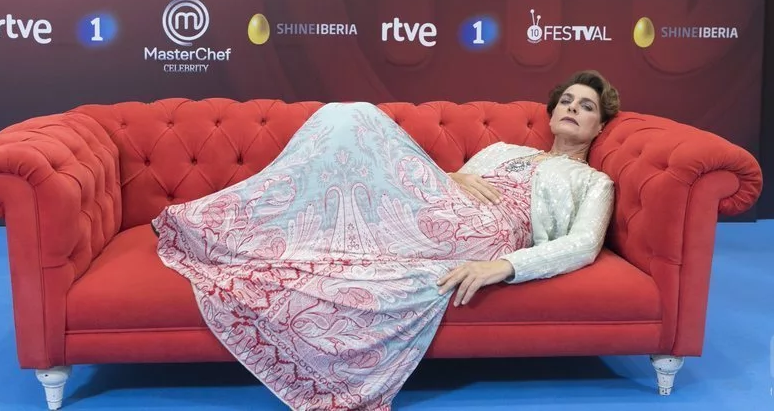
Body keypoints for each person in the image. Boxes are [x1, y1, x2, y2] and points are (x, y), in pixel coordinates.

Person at [152, 70, 620, 410]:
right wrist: (453, 176)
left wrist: (505, 266)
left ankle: (209, 228)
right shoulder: (502, 150)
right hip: (443, 210)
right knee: (344, 122)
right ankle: (219, 228)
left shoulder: (592, 181)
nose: (572, 109)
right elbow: (442, 184)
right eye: (566, 101)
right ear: (551, 112)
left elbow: (583, 244)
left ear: (600, 126)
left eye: (586, 107)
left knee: (357, 115)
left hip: (490, 232)